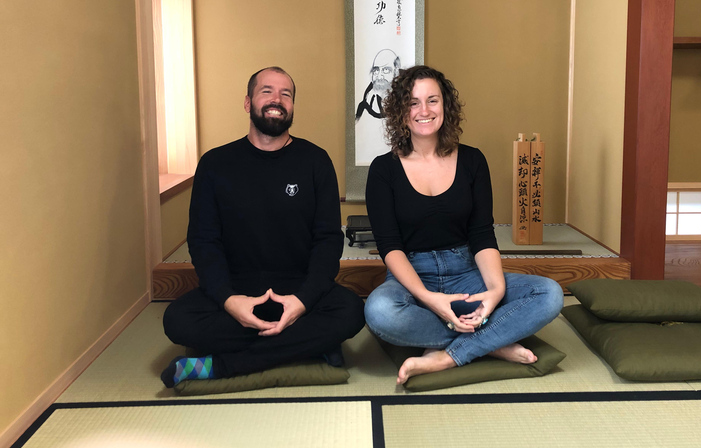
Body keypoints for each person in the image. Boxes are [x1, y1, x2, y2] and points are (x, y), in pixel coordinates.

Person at [161, 67, 365, 388]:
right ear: (248, 102)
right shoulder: (216, 164)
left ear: (293, 107)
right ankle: (309, 346)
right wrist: (230, 301)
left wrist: (302, 302)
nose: (277, 100)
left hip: (297, 292)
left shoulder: (315, 161)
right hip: (237, 289)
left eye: (286, 94)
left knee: (352, 311)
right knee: (177, 320)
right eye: (267, 91)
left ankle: (223, 365)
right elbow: (203, 240)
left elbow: (327, 240)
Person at [364, 65, 563, 385]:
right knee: (380, 312)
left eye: (433, 100)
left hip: (466, 271)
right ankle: (493, 344)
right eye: (413, 103)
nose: (424, 111)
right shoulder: (382, 170)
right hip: (411, 277)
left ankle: (450, 354)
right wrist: (431, 300)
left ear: (446, 107)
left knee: (549, 293)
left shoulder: (472, 160)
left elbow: (482, 234)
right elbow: (390, 246)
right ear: (401, 112)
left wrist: (495, 292)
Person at [355, 49, 401, 121]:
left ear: (396, 71)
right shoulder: (365, 104)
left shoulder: (404, 101)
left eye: (386, 70)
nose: (379, 76)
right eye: (376, 70)